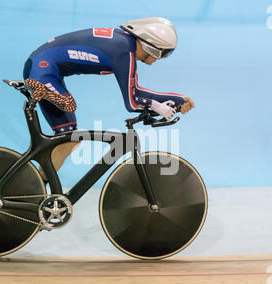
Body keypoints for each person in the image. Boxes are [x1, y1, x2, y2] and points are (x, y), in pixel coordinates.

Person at [22, 17, 195, 179]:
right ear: (152, 46)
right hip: (42, 69)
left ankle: (34, 189)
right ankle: (41, 89)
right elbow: (132, 102)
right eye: (163, 54)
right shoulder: (124, 53)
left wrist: (177, 100)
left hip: (43, 69)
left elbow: (136, 93)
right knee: (68, 108)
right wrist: (160, 104)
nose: (160, 59)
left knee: (67, 139)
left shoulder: (124, 44)